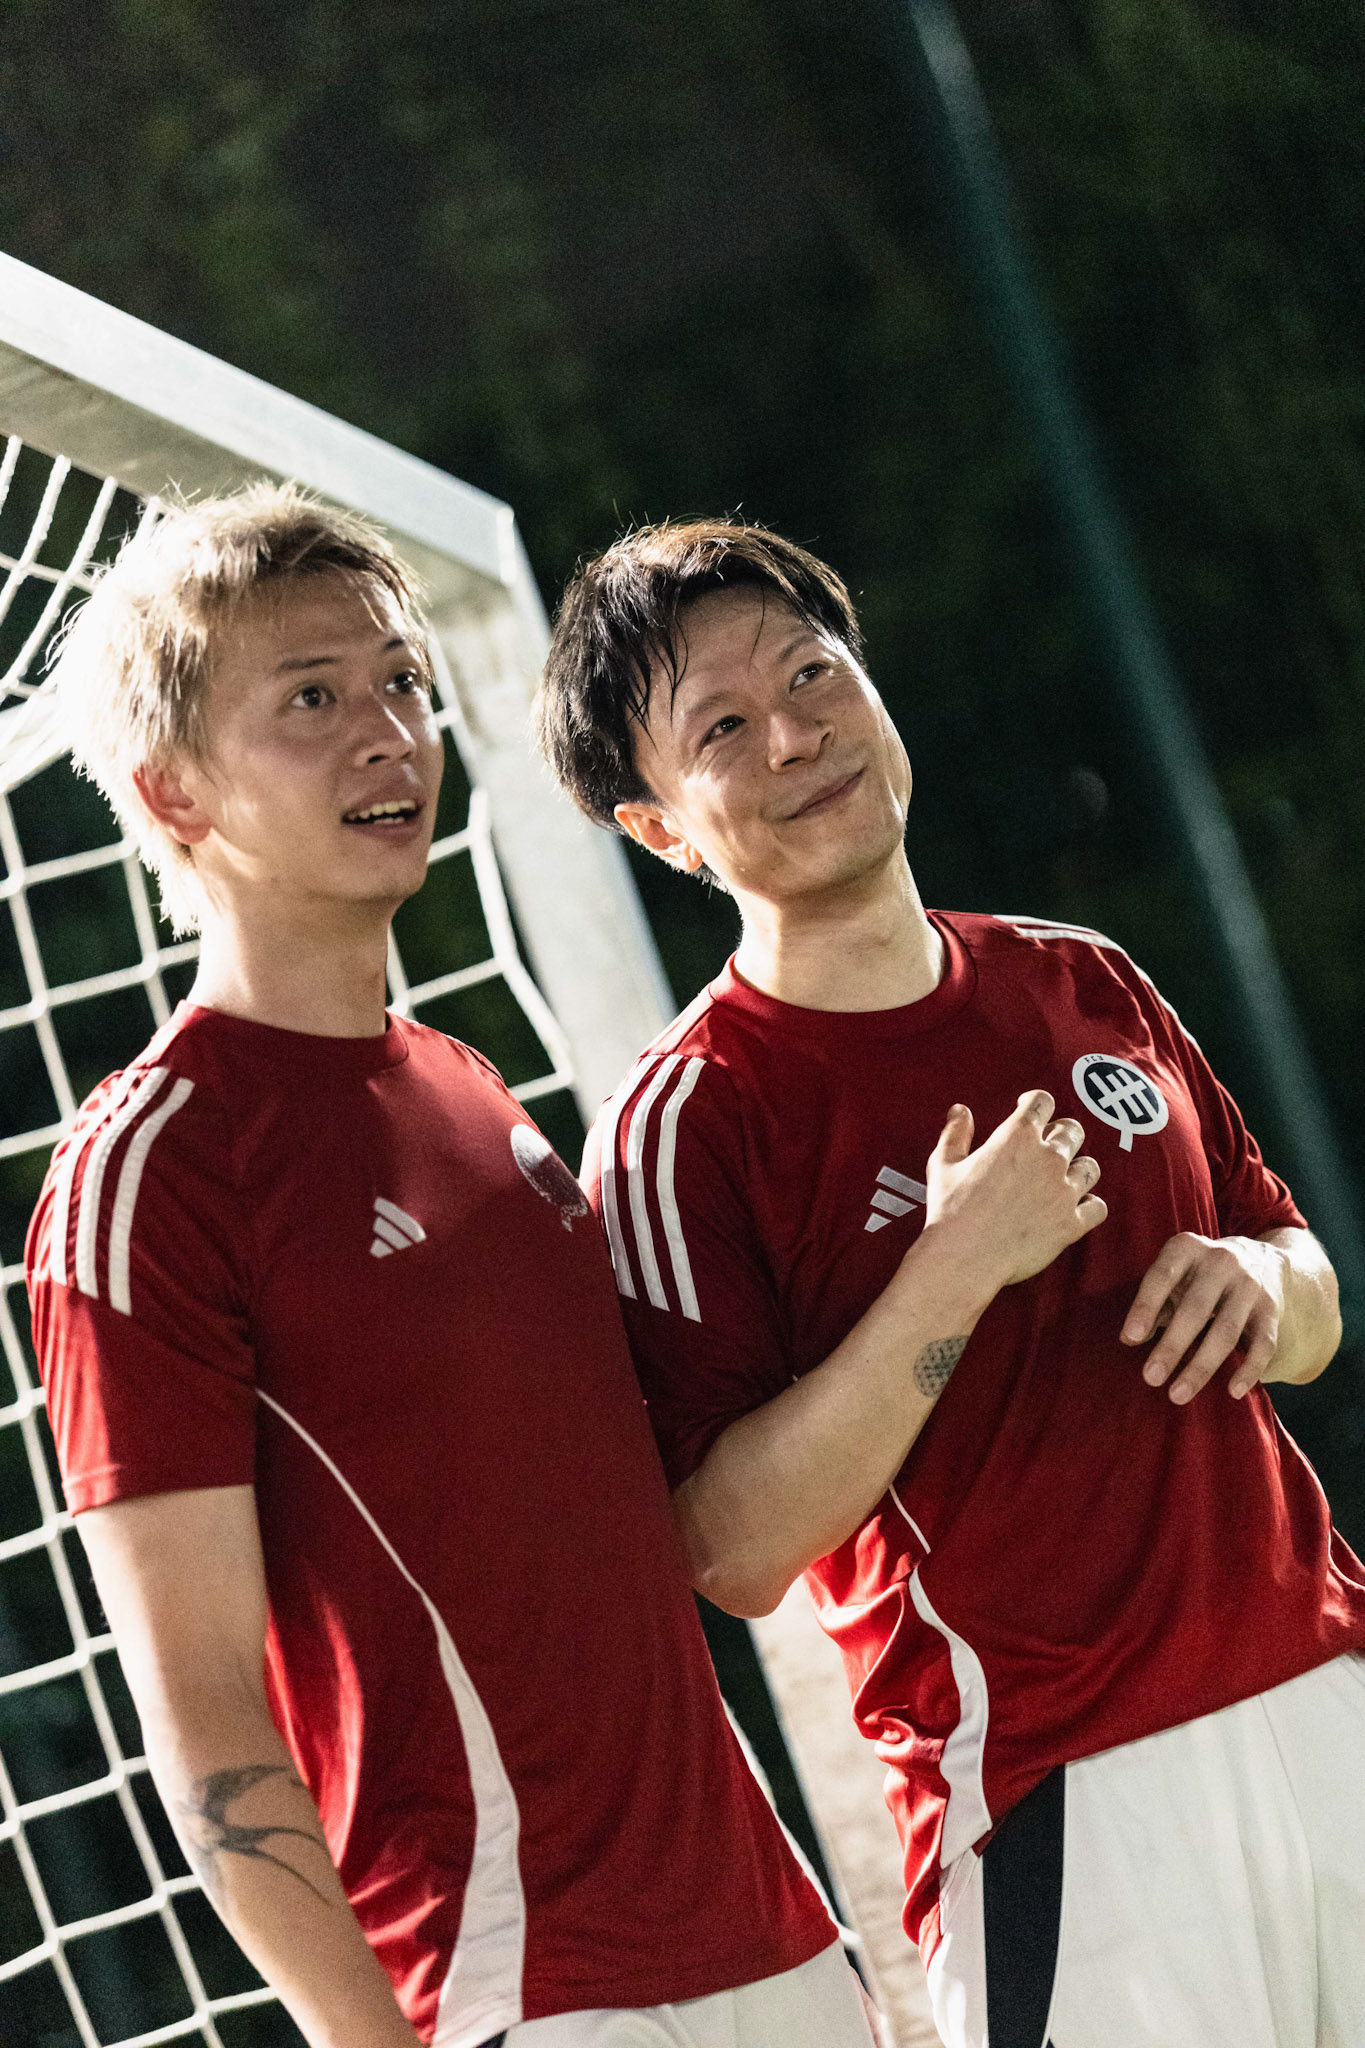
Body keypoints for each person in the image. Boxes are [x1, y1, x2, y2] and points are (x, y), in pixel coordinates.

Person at [23, 484, 899, 2048]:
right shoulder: (149, 1170)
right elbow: (205, 1705)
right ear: (169, 799)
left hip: (769, 1949)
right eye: (311, 699)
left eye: (403, 685)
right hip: (509, 1991)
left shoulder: (477, 1099)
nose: (389, 734)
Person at [535, 516, 1365, 2048]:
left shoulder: (1082, 976)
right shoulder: (681, 1127)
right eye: (722, 727)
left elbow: (1310, 1286)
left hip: (1329, 1692)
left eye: (812, 671)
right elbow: (725, 1550)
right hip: (1071, 1811)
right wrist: (947, 1276)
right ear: (660, 830)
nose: (795, 733)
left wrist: (1260, 1279)